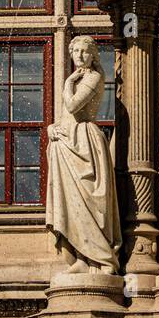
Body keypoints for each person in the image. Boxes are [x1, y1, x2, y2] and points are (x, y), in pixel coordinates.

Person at [46, 35, 121, 274]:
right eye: (75, 51)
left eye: (85, 51)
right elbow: (64, 114)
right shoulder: (79, 77)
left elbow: (73, 106)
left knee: (89, 198)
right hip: (67, 142)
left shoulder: (94, 77)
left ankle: (101, 258)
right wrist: (51, 128)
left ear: (94, 55)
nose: (79, 56)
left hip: (84, 142)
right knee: (72, 201)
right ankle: (81, 256)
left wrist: (67, 84)